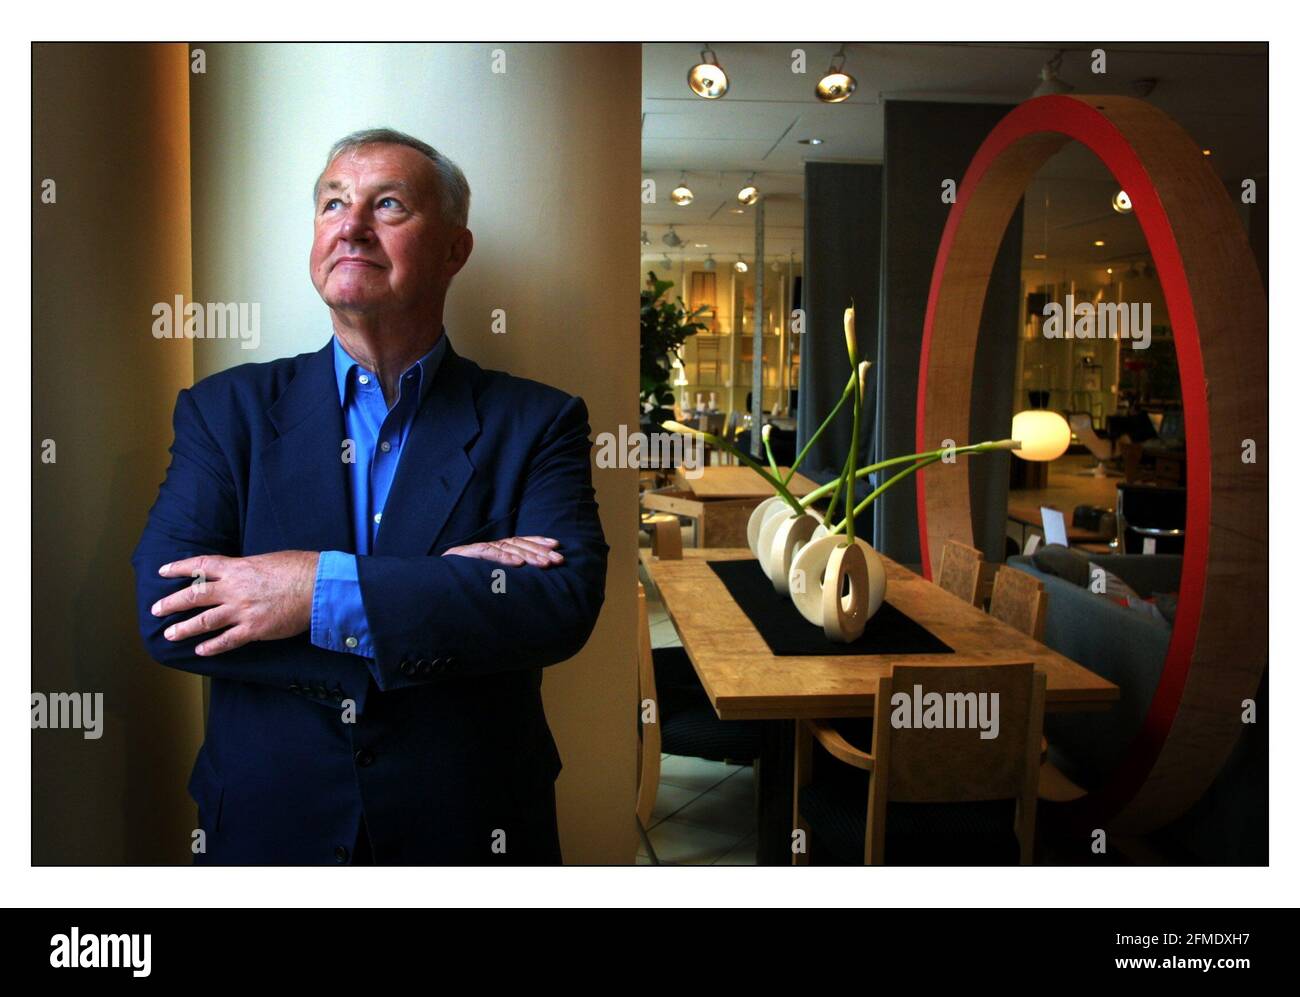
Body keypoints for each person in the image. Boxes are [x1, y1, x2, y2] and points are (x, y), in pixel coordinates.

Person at [131, 128, 608, 864]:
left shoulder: (539, 421)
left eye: (387, 205)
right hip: (269, 830)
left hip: (471, 832)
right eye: (332, 204)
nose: (350, 226)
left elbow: (560, 606)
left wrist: (306, 589)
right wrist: (444, 589)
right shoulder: (225, 412)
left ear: (455, 250)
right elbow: (169, 618)